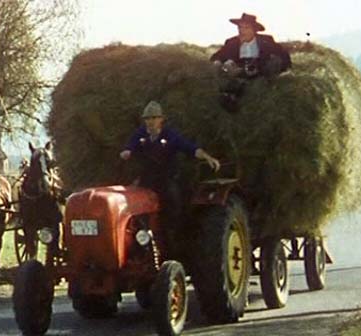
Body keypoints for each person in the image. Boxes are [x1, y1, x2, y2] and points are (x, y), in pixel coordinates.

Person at [119, 101, 220, 257]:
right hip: (147, 179)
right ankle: (140, 241)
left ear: (161, 119)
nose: (150, 122)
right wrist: (126, 152)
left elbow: (190, 148)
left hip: (166, 178)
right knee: (136, 206)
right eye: (147, 119)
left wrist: (207, 157)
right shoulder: (140, 135)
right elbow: (129, 147)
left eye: (154, 118)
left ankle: (174, 239)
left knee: (172, 201)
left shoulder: (169, 135)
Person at [211, 13, 291, 111]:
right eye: (240, 28)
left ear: (254, 30)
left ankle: (238, 93)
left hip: (260, 69)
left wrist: (281, 69)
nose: (242, 31)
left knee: (273, 63)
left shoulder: (266, 41)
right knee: (230, 77)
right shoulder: (232, 42)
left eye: (246, 28)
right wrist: (218, 62)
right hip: (238, 70)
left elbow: (284, 55)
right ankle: (231, 97)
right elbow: (216, 56)